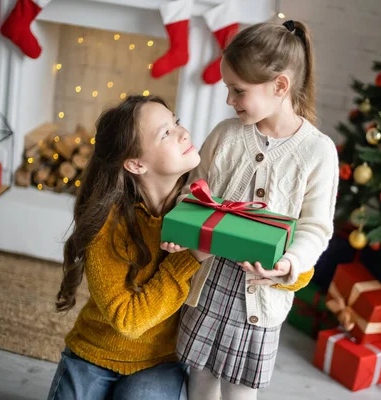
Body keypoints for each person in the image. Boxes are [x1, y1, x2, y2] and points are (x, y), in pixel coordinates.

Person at [175, 20, 339, 399]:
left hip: (259, 300)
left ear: (280, 86)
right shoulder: (225, 134)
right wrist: (181, 233)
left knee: (239, 392)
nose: (230, 100)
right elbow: (193, 192)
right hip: (208, 287)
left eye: (238, 90)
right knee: (199, 381)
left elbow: (316, 227)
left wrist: (290, 263)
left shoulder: (317, 153)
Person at [47, 95, 208, 400]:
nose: (183, 132)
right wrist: (189, 258)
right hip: (93, 353)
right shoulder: (107, 223)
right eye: (166, 133)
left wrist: (287, 268)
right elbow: (128, 321)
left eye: (175, 122)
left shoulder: (203, 203)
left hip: (160, 362)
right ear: (136, 163)